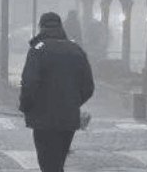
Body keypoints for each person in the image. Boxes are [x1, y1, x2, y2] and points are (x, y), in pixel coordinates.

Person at [20, 11, 94, 172]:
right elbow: (88, 86)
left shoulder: (37, 50)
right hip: (68, 118)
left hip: (43, 118)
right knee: (57, 163)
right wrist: (72, 102)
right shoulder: (76, 50)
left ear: (41, 27)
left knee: (47, 164)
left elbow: (29, 84)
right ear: (61, 26)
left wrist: (26, 106)